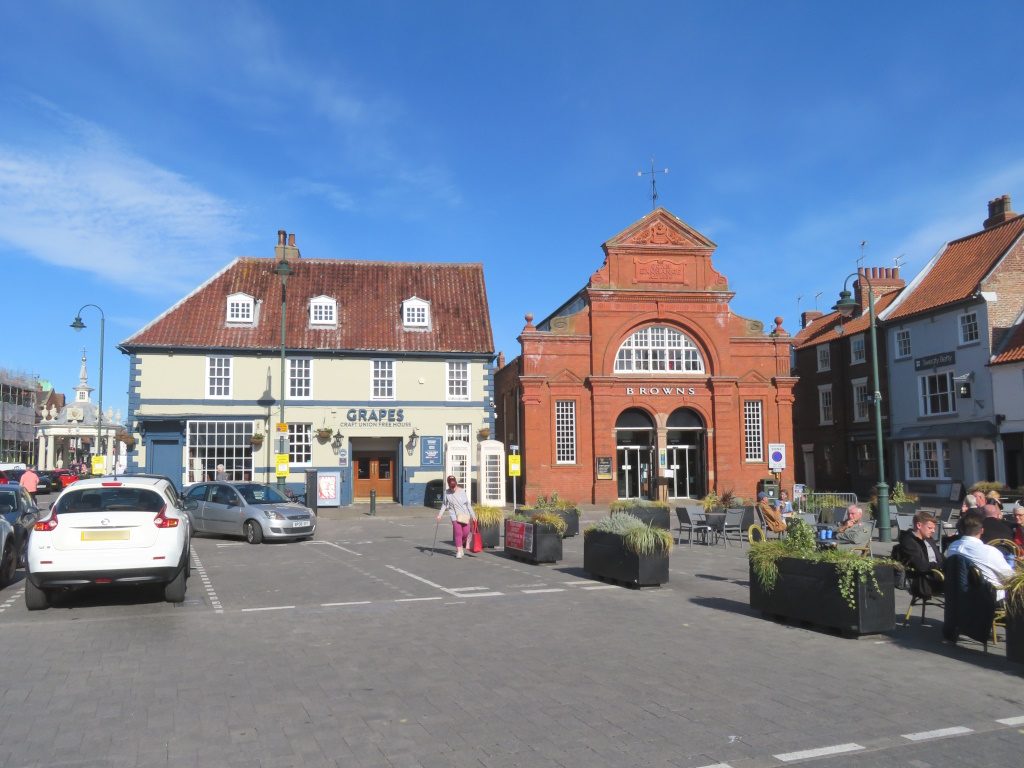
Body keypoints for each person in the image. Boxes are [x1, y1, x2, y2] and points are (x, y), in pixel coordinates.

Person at [947, 512, 1015, 600]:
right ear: (982, 530)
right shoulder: (989, 551)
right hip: (990, 596)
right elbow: (1010, 576)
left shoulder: (953, 547)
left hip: (960, 595)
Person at [895, 511, 944, 600]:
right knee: (961, 585)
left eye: (933, 528)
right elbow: (921, 566)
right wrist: (938, 565)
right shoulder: (908, 541)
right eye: (930, 528)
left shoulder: (929, 539)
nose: (933, 531)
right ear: (919, 525)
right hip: (923, 581)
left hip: (937, 575)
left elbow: (940, 558)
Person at [438, 475, 476, 558]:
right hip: (454, 515)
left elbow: (468, 504)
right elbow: (444, 504)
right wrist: (440, 514)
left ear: (456, 483)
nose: (453, 488)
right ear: (448, 485)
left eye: (454, 486)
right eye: (451, 487)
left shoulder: (462, 491)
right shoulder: (447, 493)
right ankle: (459, 551)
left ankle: (461, 545)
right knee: (458, 533)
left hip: (465, 515)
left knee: (465, 533)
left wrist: (473, 515)